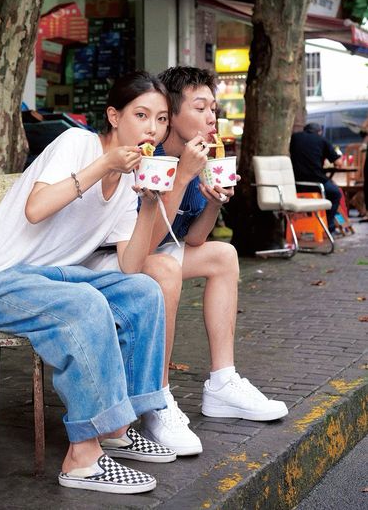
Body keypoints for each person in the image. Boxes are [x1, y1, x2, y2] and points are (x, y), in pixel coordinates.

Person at [0, 71, 180, 495]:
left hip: (43, 279)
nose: (152, 129)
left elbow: (129, 265)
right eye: (141, 115)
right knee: (85, 303)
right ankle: (83, 460)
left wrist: (148, 203)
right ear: (113, 116)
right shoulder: (79, 145)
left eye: (161, 120)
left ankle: (116, 427)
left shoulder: (132, 179)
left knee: (143, 292)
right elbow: (36, 208)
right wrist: (104, 164)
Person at [85, 66, 288, 456]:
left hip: (154, 251)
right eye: (201, 107)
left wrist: (213, 200)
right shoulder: (150, 156)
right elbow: (145, 247)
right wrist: (182, 179)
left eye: (214, 108)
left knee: (223, 255)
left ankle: (222, 384)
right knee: (165, 268)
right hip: (112, 258)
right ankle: (155, 400)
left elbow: (193, 238)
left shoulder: (198, 158)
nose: (212, 117)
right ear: (172, 116)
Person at [290, 122, 343, 233]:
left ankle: (315, 224)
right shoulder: (322, 140)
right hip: (316, 184)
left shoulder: (294, 138)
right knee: (336, 194)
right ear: (319, 132)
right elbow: (338, 162)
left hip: (295, 184)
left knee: (330, 189)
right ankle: (328, 226)